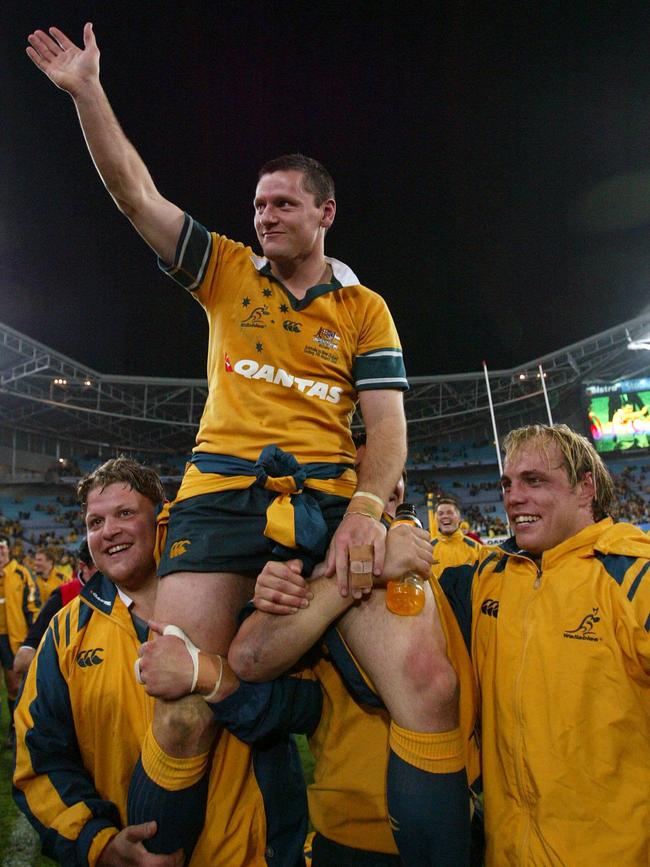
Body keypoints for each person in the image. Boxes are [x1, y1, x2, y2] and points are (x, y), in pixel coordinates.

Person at [26, 23, 408, 853]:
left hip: (323, 504)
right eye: (258, 202)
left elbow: (387, 428)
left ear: (325, 213)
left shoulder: (365, 310)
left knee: (410, 688)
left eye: (283, 202)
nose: (264, 213)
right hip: (218, 496)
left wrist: (366, 511)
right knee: (180, 704)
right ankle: (149, 851)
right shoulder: (228, 270)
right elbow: (138, 198)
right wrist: (88, 92)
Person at [13, 458, 312, 866]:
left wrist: (212, 680)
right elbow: (40, 755)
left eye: (125, 513)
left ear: (162, 519)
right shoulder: (65, 634)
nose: (109, 531)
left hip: (252, 855)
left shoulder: (244, 600)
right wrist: (98, 844)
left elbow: (302, 707)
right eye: (94, 522)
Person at [439, 423, 650, 865]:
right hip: (506, 851)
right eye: (508, 483)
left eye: (534, 481)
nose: (514, 497)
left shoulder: (632, 575)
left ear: (584, 488)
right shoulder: (486, 579)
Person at [12, 539, 97, 677]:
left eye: (40, 559)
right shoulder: (64, 593)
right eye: (100, 567)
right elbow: (22, 660)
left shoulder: (128, 591)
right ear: (83, 566)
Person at [0, 537, 38, 745]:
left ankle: (14, 729)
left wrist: (30, 639)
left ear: (8, 551)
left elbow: (33, 607)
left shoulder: (21, 574)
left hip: (11, 638)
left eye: (2, 548)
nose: (0, 552)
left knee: (14, 685)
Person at [430, 498, 482, 576]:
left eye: (450, 513)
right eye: (440, 514)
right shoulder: (428, 549)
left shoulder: (476, 548)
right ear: (436, 519)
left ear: (459, 518)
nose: (445, 516)